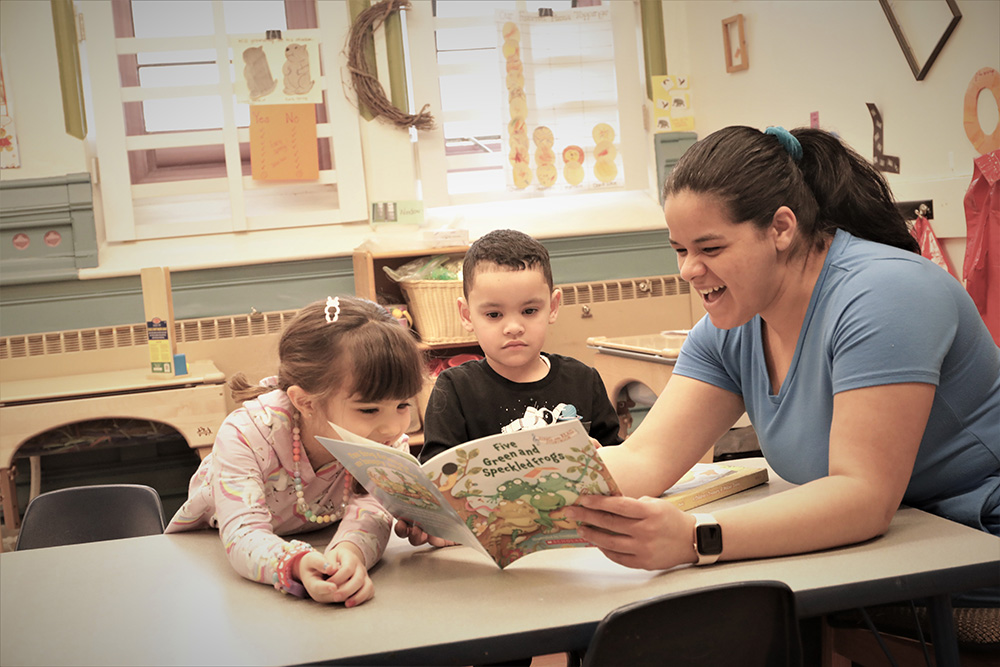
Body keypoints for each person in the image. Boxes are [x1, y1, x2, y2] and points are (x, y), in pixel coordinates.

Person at [563, 126, 1000, 604]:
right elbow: (644, 458)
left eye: (710, 248)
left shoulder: (885, 295)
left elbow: (863, 498)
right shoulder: (732, 327)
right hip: (878, 551)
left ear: (781, 229)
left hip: (972, 545)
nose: (689, 270)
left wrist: (695, 537)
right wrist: (499, 493)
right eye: (680, 250)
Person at [165, 296, 425, 607]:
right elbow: (243, 532)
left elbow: (371, 508)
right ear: (305, 402)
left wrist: (351, 551)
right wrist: (295, 564)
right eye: (369, 410)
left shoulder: (385, 441)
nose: (392, 428)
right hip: (207, 559)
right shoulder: (245, 434)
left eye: (403, 405)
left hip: (319, 537)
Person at [395, 228, 622, 547]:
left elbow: (619, 461)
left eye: (530, 311)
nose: (513, 326)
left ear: (553, 307)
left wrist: (606, 460)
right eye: (493, 314)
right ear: (466, 315)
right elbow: (439, 476)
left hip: (577, 541)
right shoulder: (455, 387)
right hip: (486, 548)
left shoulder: (583, 379)